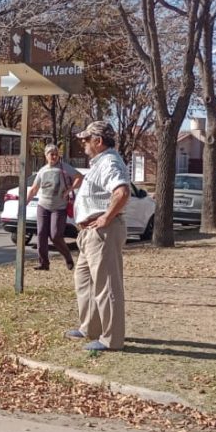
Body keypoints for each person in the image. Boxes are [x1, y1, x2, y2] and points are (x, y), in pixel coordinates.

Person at [64, 120, 130, 352]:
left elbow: (122, 192)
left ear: (98, 141)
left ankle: (111, 340)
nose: (83, 143)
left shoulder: (109, 162)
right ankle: (90, 328)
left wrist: (105, 219)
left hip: (103, 233)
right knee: (84, 279)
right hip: (89, 234)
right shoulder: (99, 163)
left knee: (106, 286)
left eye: (86, 139)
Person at [26, 142, 82, 270]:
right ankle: (43, 263)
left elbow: (79, 177)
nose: (54, 156)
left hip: (59, 207)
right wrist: (24, 204)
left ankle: (68, 257)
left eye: (56, 154)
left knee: (56, 235)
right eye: (52, 154)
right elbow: (34, 189)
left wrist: (70, 189)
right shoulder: (42, 171)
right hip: (43, 206)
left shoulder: (64, 168)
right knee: (41, 234)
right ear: (46, 155)